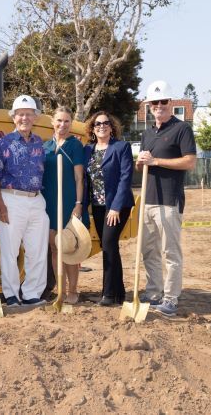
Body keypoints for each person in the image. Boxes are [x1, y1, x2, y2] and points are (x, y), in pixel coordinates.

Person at [137, 80, 196, 316]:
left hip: (169, 201)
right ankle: (154, 292)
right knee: (148, 251)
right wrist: (141, 164)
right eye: (154, 103)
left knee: (170, 252)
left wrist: (156, 161)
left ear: (170, 103)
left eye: (163, 102)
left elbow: (190, 162)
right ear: (148, 106)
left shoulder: (181, 129)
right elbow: (143, 169)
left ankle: (171, 298)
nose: (158, 106)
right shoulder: (147, 133)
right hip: (148, 200)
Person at [0, 95, 49, 307]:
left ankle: (32, 293)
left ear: (35, 117)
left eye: (28, 114)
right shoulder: (3, 144)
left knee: (37, 251)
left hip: (36, 200)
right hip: (11, 199)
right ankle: (11, 295)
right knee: (10, 251)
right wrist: (1, 205)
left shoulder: (39, 143)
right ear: (14, 118)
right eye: (20, 114)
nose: (24, 118)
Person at [83, 111, 134, 306]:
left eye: (105, 123)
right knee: (109, 247)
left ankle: (108, 294)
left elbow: (125, 178)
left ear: (111, 127)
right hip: (97, 206)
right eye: (97, 124)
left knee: (109, 245)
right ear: (92, 128)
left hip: (116, 206)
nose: (101, 126)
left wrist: (115, 207)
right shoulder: (88, 150)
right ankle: (119, 293)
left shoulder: (121, 147)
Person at [42, 106, 88, 305]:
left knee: (69, 248)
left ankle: (73, 290)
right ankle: (60, 289)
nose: (62, 124)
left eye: (67, 121)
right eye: (59, 120)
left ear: (71, 124)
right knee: (54, 248)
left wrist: (78, 204)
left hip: (69, 201)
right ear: (52, 122)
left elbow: (79, 178)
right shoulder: (45, 146)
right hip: (49, 203)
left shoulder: (75, 146)